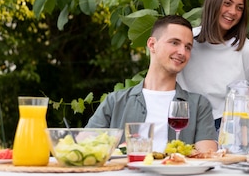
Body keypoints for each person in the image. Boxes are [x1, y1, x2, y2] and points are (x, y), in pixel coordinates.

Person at [87, 15, 217, 153]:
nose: (182, 52)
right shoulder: (115, 102)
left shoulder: (198, 106)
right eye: (174, 43)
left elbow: (207, 157)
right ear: (152, 45)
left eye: (188, 47)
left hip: (178, 175)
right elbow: (84, 146)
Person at [177, 0, 249, 131]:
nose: (233, 12)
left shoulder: (247, 50)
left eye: (239, 8)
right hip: (187, 121)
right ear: (214, 2)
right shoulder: (188, 41)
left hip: (228, 126)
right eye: (227, 3)